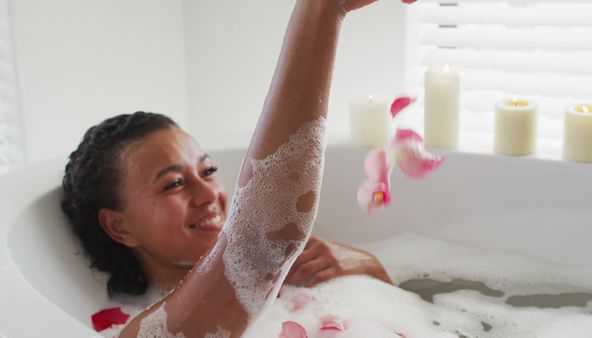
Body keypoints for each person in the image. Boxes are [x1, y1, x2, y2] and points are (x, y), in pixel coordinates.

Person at [62, 0, 415, 337]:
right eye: (173, 184)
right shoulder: (147, 333)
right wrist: (323, 9)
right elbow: (262, 244)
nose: (208, 194)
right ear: (120, 227)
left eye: (208, 170)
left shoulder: (294, 280)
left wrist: (370, 268)